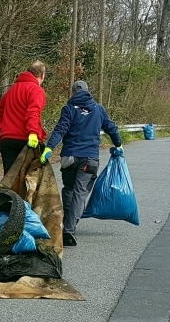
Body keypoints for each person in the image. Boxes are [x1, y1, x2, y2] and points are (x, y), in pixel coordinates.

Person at [40, 80, 122, 247]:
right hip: (89, 159)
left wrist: (49, 148)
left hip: (69, 157)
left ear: (73, 93)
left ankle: (66, 225)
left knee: (69, 189)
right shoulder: (98, 109)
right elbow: (111, 128)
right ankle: (69, 229)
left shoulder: (69, 109)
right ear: (87, 92)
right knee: (80, 193)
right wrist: (118, 144)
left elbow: (60, 129)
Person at [0, 61, 48, 173]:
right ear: (42, 75)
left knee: (10, 178)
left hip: (7, 140)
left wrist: (3, 130)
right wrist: (33, 133)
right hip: (26, 139)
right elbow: (33, 112)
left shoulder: (12, 89)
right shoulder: (36, 90)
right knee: (33, 177)